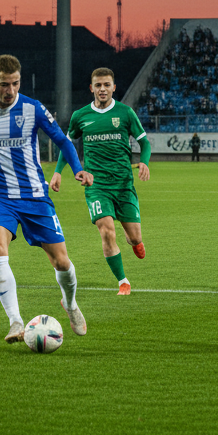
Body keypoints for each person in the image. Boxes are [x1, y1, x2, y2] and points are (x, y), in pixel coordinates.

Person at [0, 54, 94, 345]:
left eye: (15, 84)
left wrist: (78, 168)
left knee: (61, 262)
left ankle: (70, 303)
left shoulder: (32, 109)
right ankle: (15, 320)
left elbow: (62, 140)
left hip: (35, 197)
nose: (10, 90)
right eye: (4, 85)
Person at [50, 67, 151, 295]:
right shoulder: (80, 116)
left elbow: (145, 143)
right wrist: (58, 172)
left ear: (114, 87)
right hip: (96, 186)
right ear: (92, 88)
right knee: (106, 231)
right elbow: (67, 145)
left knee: (135, 237)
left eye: (107, 85)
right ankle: (123, 281)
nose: (102, 89)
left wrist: (144, 161)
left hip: (124, 185)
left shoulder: (125, 113)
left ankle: (134, 241)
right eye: (98, 85)